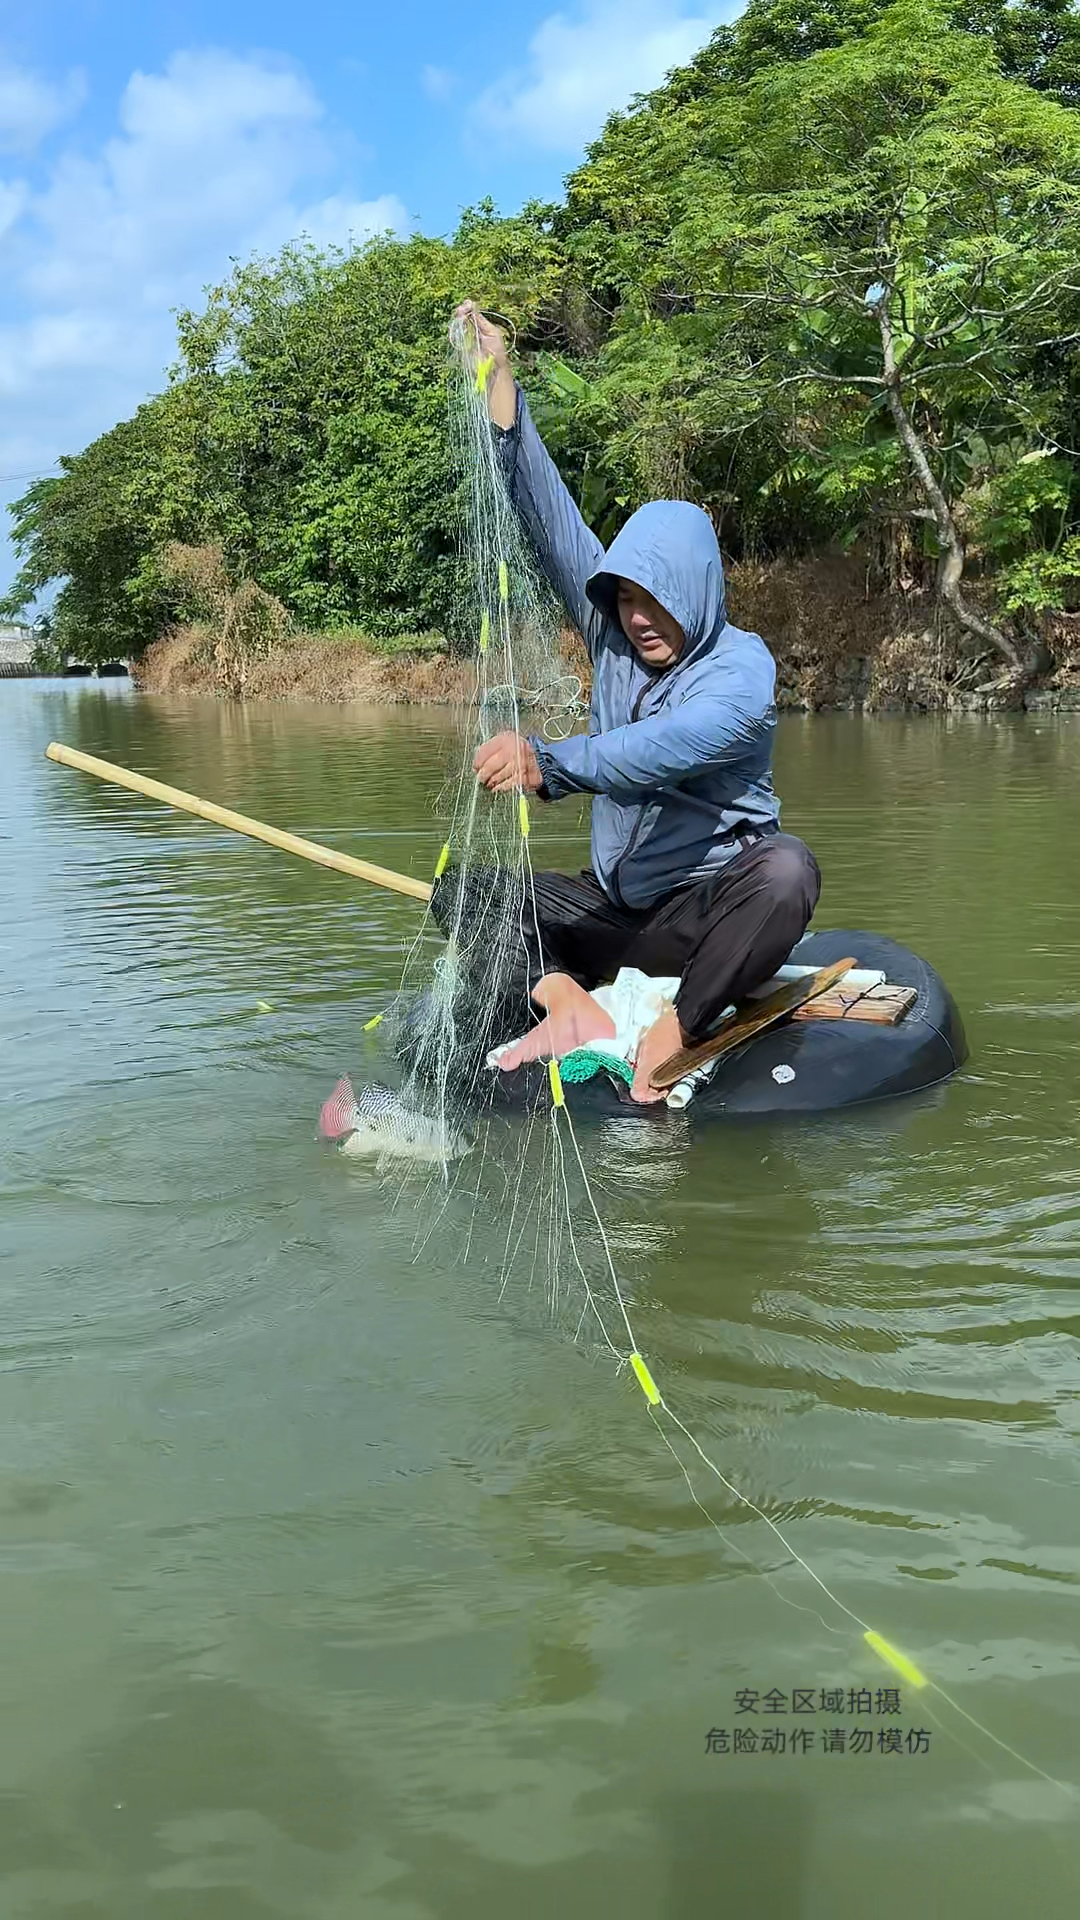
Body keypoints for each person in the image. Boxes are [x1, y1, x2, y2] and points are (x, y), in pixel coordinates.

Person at [449, 300, 821, 1105]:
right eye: (624, 600)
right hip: (616, 908)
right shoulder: (611, 629)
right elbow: (549, 518)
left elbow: (662, 747)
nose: (639, 619)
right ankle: (567, 1002)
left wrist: (550, 762)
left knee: (788, 870)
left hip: (702, 914)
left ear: (696, 593)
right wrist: (503, 382)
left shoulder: (741, 671)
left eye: (657, 601)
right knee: (462, 891)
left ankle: (679, 1026)